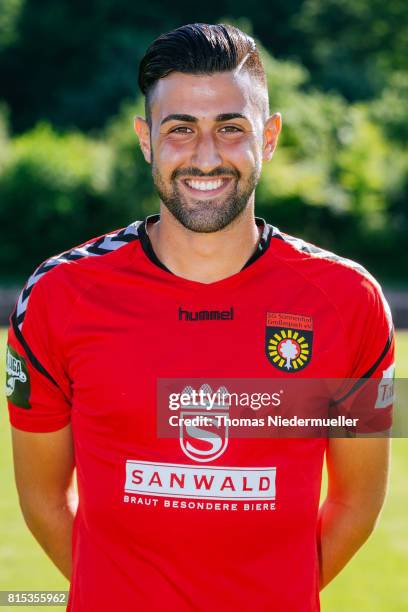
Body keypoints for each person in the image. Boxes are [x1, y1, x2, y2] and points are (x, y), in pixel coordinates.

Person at [5, 23, 395, 612]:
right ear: (146, 139)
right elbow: (42, 500)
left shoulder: (351, 300)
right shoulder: (59, 294)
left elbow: (356, 504)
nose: (206, 156)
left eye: (230, 128)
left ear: (268, 137)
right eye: (180, 128)